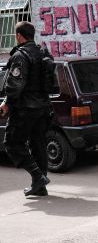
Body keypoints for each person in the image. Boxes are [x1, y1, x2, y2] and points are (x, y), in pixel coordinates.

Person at [0, 21, 53, 197]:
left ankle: (38, 177)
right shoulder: (42, 52)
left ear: (18, 35)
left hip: (25, 109)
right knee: (38, 144)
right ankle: (40, 186)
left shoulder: (20, 56)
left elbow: (15, 85)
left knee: (12, 144)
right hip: (43, 107)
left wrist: (7, 102)